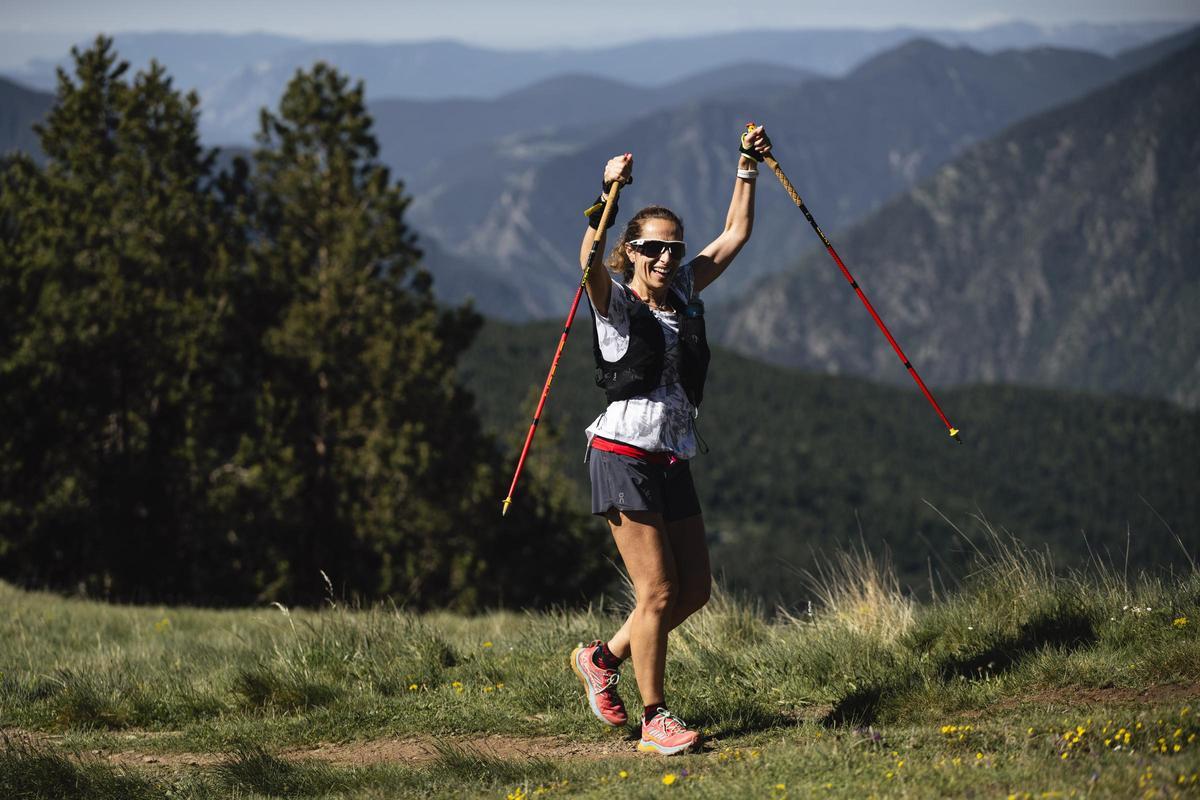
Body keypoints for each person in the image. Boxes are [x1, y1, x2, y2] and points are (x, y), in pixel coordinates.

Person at [570, 125, 771, 755]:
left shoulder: (683, 291)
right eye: (652, 249)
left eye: (673, 250)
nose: (665, 259)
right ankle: (655, 720)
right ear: (629, 251)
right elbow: (586, 260)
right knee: (656, 591)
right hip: (621, 455)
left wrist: (747, 165)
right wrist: (608, 194)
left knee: (696, 590)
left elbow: (735, 234)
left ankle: (601, 658)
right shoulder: (614, 303)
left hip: (670, 456)